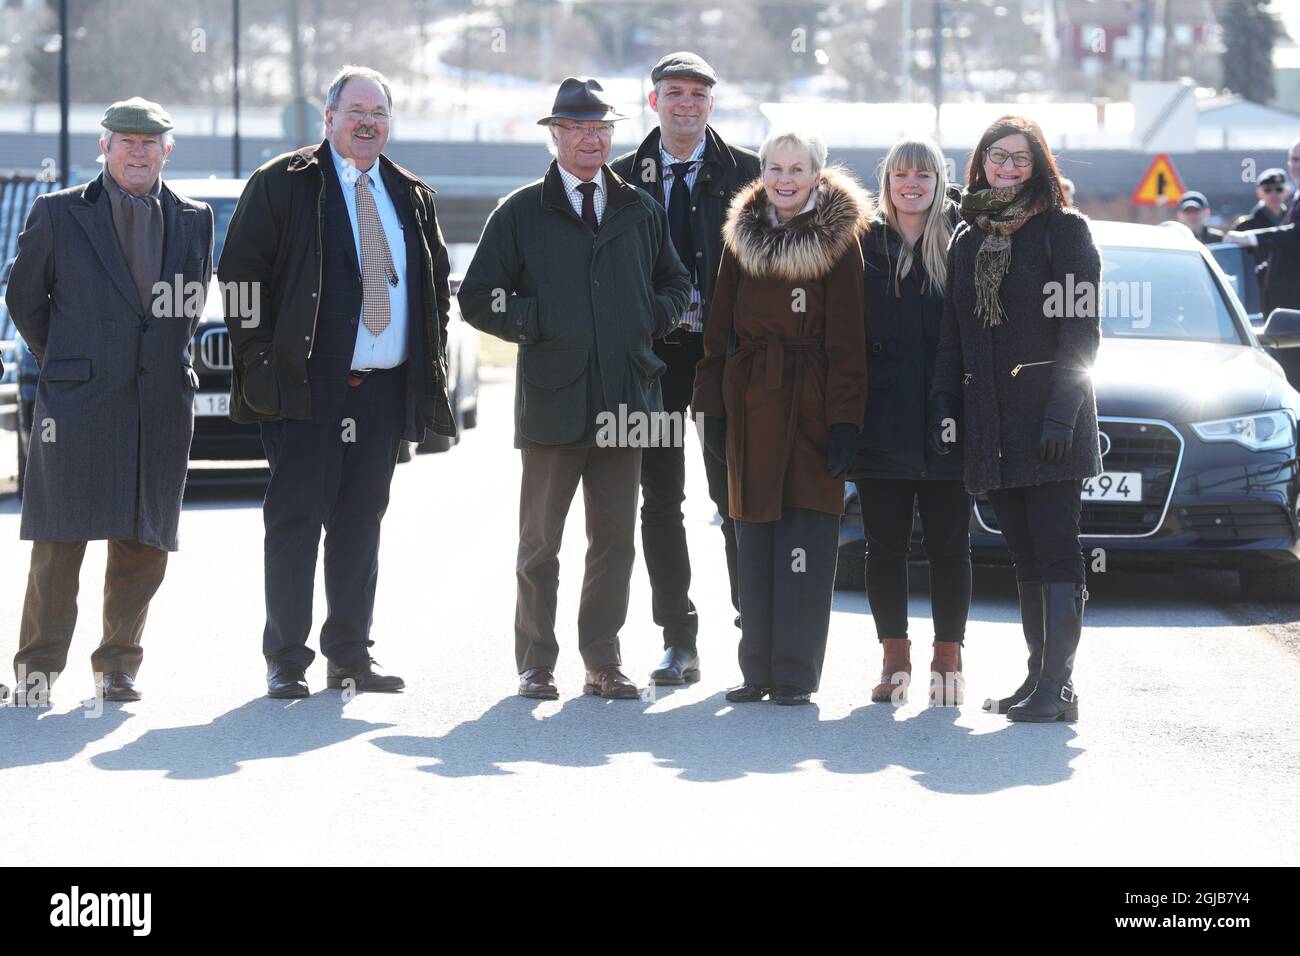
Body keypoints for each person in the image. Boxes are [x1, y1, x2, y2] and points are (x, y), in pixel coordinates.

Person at [221, 65, 458, 699]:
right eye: (355, 110)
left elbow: (434, 286)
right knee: (296, 518)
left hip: (381, 388)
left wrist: (426, 371)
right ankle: (286, 659)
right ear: (328, 118)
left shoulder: (410, 193)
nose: (367, 122)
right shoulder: (282, 183)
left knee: (361, 522)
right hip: (303, 387)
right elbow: (241, 278)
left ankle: (350, 656)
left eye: (379, 113)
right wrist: (260, 363)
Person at [458, 78, 691, 701]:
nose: (592, 141)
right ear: (555, 135)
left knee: (614, 540)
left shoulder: (640, 209)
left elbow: (676, 284)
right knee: (540, 544)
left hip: (628, 401)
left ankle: (603, 660)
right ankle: (536, 661)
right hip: (553, 399)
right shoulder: (519, 213)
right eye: (578, 130)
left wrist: (650, 317)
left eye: (601, 130)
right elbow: (478, 296)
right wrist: (537, 323)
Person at [5, 97, 213, 704]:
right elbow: (24, 300)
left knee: (143, 542)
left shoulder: (193, 217)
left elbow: (188, 303)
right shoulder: (59, 213)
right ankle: (37, 671)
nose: (139, 151)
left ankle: (118, 666)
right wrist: (66, 362)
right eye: (126, 141)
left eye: (150, 143)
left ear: (166, 151)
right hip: (77, 405)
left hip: (159, 404)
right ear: (105, 147)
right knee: (59, 541)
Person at [930, 115, 1102, 723]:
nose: (1007, 168)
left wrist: (1061, 417)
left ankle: (1060, 687)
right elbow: (954, 335)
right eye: (997, 157)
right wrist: (945, 406)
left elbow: (1082, 333)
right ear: (980, 164)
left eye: (1019, 159)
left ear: (1037, 166)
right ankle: (1039, 680)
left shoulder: (1065, 232)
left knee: (1057, 551)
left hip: (1053, 423)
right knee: (1024, 555)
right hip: (992, 425)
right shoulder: (967, 238)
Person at [692, 129, 870, 706]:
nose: (785, 179)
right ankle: (757, 669)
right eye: (775, 167)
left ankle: (795, 674)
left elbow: (849, 340)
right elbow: (718, 332)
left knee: (806, 538)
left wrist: (845, 421)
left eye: (797, 169)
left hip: (813, 402)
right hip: (749, 404)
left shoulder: (840, 241)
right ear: (761, 172)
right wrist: (712, 408)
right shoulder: (739, 237)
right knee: (753, 534)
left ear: (817, 175)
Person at [609, 52, 761, 686]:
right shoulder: (621, 180)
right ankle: (679, 637)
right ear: (654, 102)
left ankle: (756, 632)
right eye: (674, 93)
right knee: (659, 499)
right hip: (653, 367)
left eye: (698, 94)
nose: (686, 104)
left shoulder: (750, 174)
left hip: (726, 362)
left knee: (737, 498)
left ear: (711, 104)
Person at [848, 137, 971, 706]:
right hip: (882, 419)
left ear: (939, 181)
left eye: (924, 175)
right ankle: (894, 661)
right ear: (888, 181)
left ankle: (949, 659)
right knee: (885, 545)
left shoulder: (965, 241)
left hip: (948, 418)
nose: (912, 185)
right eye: (902, 174)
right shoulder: (864, 242)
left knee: (950, 545)